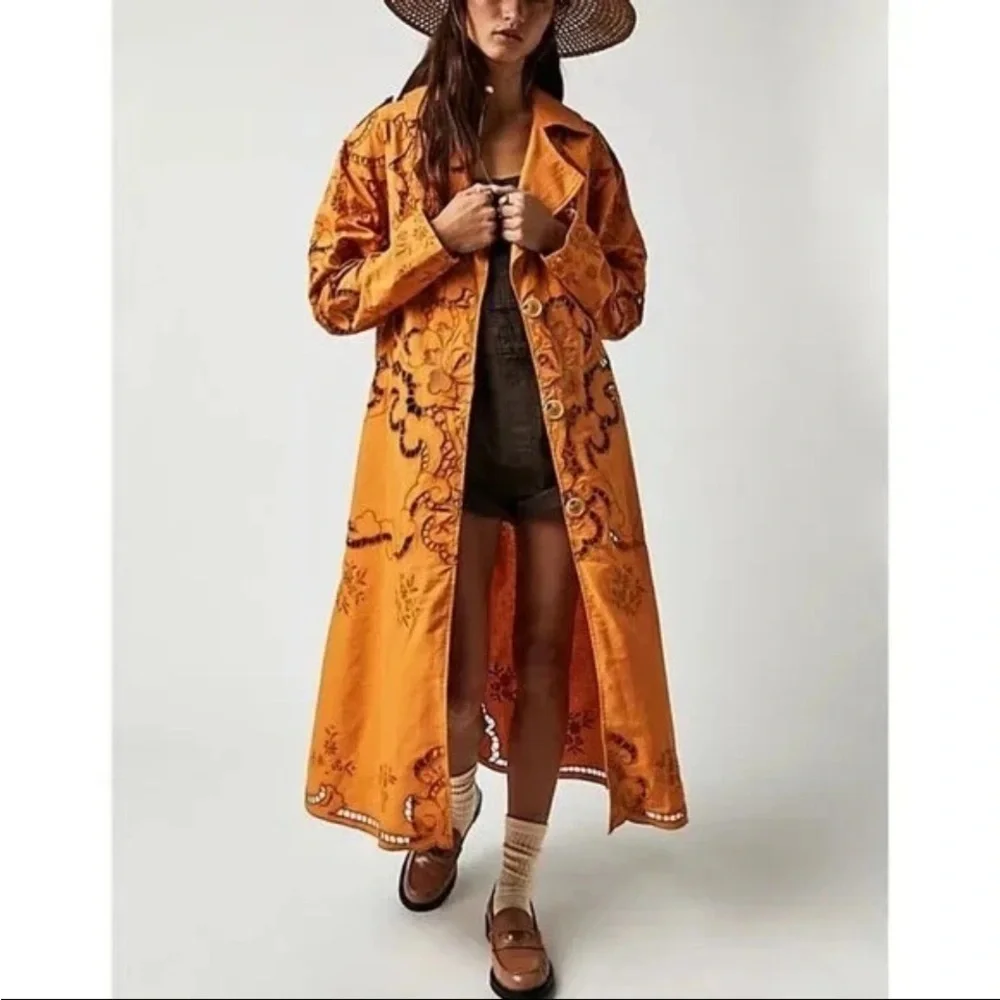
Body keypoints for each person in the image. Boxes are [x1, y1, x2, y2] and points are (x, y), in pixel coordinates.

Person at [304, 1, 687, 996]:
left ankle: (514, 892)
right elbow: (331, 292)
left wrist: (563, 241)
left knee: (547, 661)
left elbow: (626, 302)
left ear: (556, 12)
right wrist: (435, 238)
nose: (509, 10)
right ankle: (452, 807)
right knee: (454, 673)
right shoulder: (391, 141)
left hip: (564, 457)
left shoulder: (580, 150)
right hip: (439, 461)